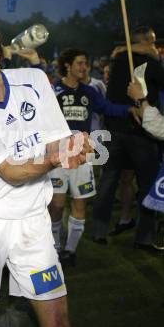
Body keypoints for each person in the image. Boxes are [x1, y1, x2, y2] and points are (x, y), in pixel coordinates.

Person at [0, 19, 92, 327]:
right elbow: (11, 172)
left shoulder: (33, 80)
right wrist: (57, 158)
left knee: (57, 318)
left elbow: (56, 137)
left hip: (32, 221)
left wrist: (73, 144)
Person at [49, 48, 134, 266]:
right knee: (56, 206)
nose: (84, 67)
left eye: (85, 63)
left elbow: (108, 108)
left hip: (82, 155)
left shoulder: (89, 91)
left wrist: (132, 108)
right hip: (57, 156)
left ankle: (70, 250)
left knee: (80, 204)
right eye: (79, 63)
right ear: (67, 65)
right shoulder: (53, 90)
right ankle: (55, 249)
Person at [92, 26, 164, 251]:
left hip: (115, 132)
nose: (155, 47)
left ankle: (99, 231)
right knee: (146, 186)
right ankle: (144, 237)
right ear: (143, 43)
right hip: (142, 133)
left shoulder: (117, 61)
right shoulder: (149, 64)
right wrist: (153, 58)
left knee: (108, 183)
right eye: (152, 42)